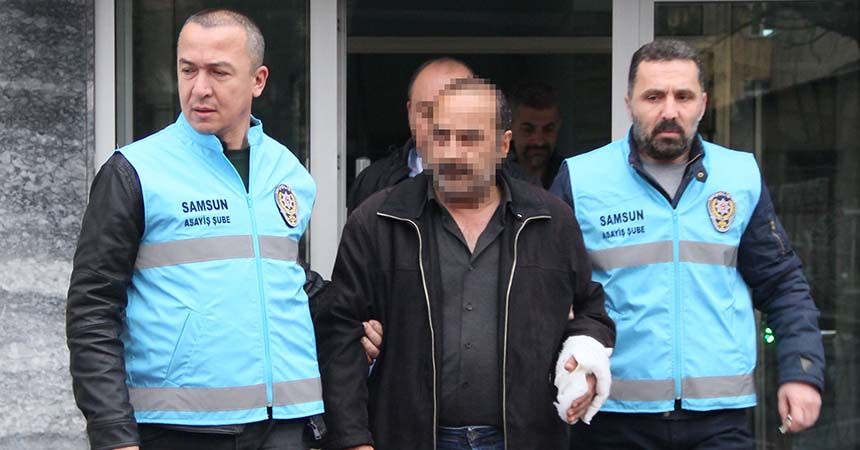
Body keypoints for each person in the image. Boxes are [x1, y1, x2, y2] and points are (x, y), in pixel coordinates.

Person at [67, 9, 326, 450]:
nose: (199, 88)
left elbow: (280, 279)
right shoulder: (134, 172)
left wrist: (354, 319)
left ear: (258, 80)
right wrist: (113, 434)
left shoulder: (288, 171)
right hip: (179, 430)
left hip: (288, 426)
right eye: (188, 70)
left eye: (219, 72)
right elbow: (91, 310)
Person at [551, 39, 825, 449]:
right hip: (610, 416)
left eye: (683, 96)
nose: (669, 111)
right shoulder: (582, 179)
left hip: (719, 420)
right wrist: (569, 370)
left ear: (703, 103)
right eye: (653, 97)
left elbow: (782, 284)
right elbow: (546, 292)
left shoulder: (738, 177)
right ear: (629, 103)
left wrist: (802, 372)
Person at [315, 78, 616, 450]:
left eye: (470, 138)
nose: (453, 153)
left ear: (503, 145)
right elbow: (340, 335)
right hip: (409, 437)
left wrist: (585, 359)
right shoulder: (378, 221)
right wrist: (353, 440)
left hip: (524, 437)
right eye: (441, 137)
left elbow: (590, 311)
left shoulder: (550, 221)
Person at [346, 58, 474, 215]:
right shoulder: (372, 182)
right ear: (410, 112)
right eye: (428, 112)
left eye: (454, 111)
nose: (440, 124)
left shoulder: (500, 182)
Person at [507, 82, 564, 189]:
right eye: (528, 130)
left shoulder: (569, 176)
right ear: (510, 129)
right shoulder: (494, 177)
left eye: (548, 129)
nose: (539, 142)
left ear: (558, 127)